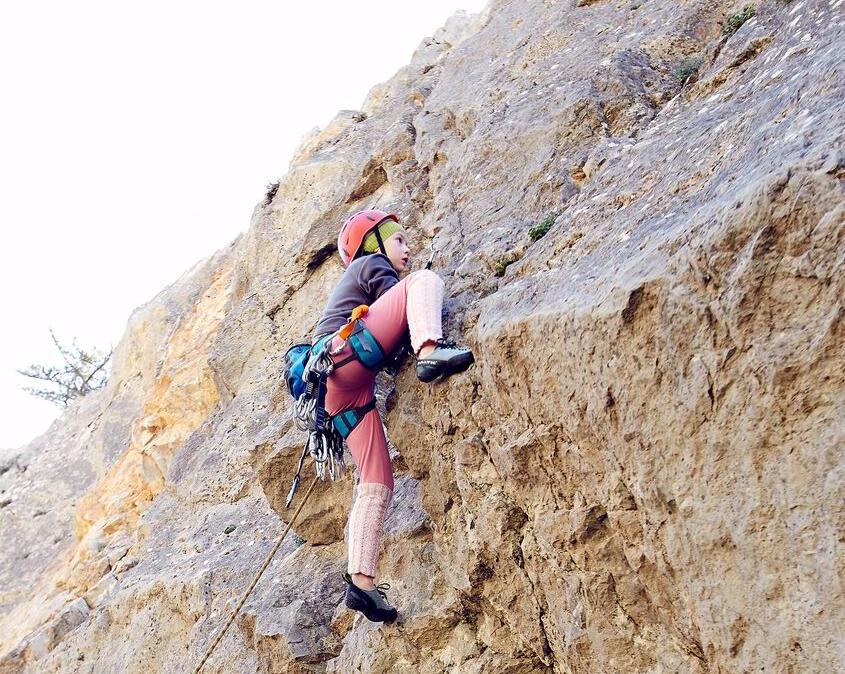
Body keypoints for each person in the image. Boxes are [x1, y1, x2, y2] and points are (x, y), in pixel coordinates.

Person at [310, 209, 474, 623]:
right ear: (374, 245)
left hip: (339, 389)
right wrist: (417, 335)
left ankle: (361, 581)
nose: (406, 248)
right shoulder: (371, 265)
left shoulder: (360, 276)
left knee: (377, 480)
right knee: (423, 281)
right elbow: (396, 303)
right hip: (346, 355)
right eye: (398, 240)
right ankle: (431, 350)